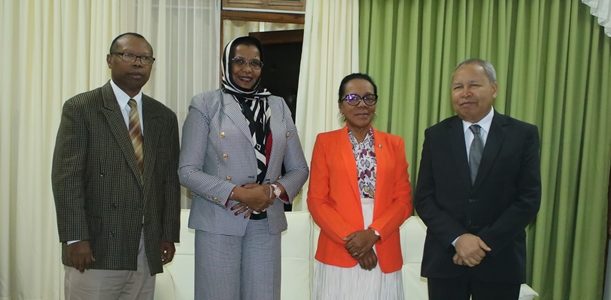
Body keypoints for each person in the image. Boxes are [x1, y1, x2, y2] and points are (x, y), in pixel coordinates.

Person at [51, 32, 180, 299]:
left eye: (145, 58)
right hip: (96, 247)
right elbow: (67, 178)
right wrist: (75, 238)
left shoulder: (163, 117)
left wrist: (167, 234)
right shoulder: (82, 108)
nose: (137, 63)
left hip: (145, 248)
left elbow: (168, 181)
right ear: (110, 60)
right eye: (128, 55)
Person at [178, 36, 309, 300]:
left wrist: (270, 191)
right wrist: (238, 193)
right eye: (239, 61)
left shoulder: (278, 105)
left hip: (265, 223)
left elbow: (299, 169)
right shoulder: (205, 104)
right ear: (225, 64)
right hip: (219, 221)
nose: (247, 70)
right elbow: (187, 170)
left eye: (255, 63)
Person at [414, 58, 541, 300]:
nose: (465, 93)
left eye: (474, 85)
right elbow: (424, 198)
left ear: (494, 89)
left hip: (500, 260)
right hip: (446, 259)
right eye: (457, 87)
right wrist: (458, 238)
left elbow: (528, 199)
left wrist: (482, 243)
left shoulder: (522, 135)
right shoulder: (436, 136)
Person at [307, 73, 413, 299]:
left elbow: (403, 201)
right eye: (352, 98)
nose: (362, 105)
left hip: (382, 243)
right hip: (339, 246)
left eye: (369, 98)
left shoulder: (395, 144)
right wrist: (354, 242)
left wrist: (373, 234)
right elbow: (317, 200)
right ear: (341, 105)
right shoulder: (325, 142)